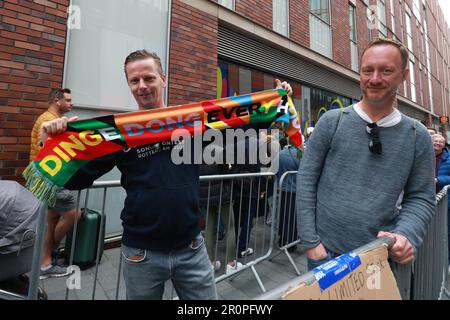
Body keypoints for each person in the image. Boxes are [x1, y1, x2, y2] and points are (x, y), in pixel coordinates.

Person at [39, 50, 292, 299]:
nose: (142, 86)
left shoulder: (189, 123)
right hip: (141, 254)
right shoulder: (118, 132)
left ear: (163, 78)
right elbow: (78, 178)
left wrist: (277, 102)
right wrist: (50, 145)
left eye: (149, 78)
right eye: (134, 80)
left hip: (192, 248)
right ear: (128, 84)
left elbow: (236, 123)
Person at [296, 38, 436, 271]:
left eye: (386, 71)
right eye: (368, 70)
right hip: (325, 255)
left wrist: (405, 235)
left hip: (380, 259)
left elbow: (421, 197)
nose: (374, 79)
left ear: (404, 75)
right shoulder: (331, 122)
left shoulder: (417, 135)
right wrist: (311, 243)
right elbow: (306, 180)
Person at [29, 88, 80, 279]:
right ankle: (46, 258)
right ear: (57, 101)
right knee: (73, 213)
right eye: (68, 100)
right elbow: (49, 153)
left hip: (42, 179)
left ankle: (44, 262)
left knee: (50, 219)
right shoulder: (48, 122)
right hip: (48, 179)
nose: (71, 103)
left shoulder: (49, 119)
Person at [276, 140, 301, 252]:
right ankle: (291, 242)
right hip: (295, 190)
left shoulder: (281, 154)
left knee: (283, 214)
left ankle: (282, 239)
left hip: (283, 189)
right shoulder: (300, 155)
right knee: (292, 217)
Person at [432, 133, 450, 270]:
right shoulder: (423, 153)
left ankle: (446, 262)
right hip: (426, 199)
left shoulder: (448, 158)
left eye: (440, 141)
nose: (437, 143)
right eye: (435, 141)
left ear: (444, 145)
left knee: (446, 231)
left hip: (445, 201)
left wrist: (438, 180)